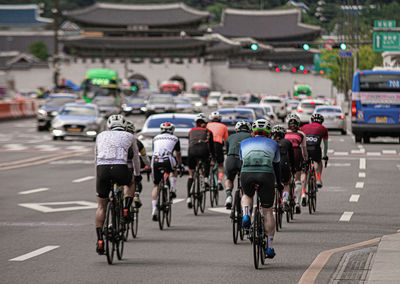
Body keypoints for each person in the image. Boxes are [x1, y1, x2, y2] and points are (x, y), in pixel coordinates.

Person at [94, 115, 141, 255]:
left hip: (102, 169)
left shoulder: (100, 136)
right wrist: (137, 175)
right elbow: (136, 158)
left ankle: (100, 240)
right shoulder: (130, 136)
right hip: (120, 167)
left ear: (109, 126)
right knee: (131, 182)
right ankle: (126, 208)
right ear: (124, 125)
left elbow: (96, 158)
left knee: (101, 206)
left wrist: (98, 176)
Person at [239, 119, 283, 259]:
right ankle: (269, 247)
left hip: (247, 173)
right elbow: (276, 166)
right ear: (269, 132)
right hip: (266, 174)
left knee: (247, 195)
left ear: (253, 132)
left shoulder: (244, 142)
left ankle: (246, 214)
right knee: (268, 210)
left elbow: (242, 161)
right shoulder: (274, 144)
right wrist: (279, 183)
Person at [151, 122, 184, 221]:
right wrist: (180, 165)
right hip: (167, 159)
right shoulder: (175, 138)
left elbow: (155, 150)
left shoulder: (155, 138)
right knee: (173, 170)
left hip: (155, 159)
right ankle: (172, 189)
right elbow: (177, 154)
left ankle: (154, 209)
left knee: (156, 185)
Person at [187, 113, 214, 208]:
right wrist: (213, 157)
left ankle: (189, 197)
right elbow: (211, 147)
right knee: (207, 160)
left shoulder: (191, 131)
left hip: (191, 152)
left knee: (191, 174)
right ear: (204, 123)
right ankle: (206, 179)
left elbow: (189, 142)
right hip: (203, 151)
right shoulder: (208, 131)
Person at [224, 120, 252, 209]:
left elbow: (227, 151)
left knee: (229, 178)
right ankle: (245, 201)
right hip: (243, 160)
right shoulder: (251, 137)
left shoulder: (230, 137)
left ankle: (228, 196)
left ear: (237, 130)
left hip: (231, 159)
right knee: (244, 181)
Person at [284, 114, 308, 214]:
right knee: (297, 179)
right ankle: (297, 203)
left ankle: (284, 199)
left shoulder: (283, 133)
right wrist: (305, 160)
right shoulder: (301, 134)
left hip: (285, 155)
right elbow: (304, 151)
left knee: (286, 180)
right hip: (297, 153)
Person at [300, 113, 329, 190]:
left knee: (304, 171)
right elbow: (325, 145)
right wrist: (325, 156)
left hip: (305, 149)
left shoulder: (303, 127)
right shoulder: (324, 129)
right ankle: (318, 178)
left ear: (311, 121)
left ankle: (303, 192)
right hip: (315, 149)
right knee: (318, 162)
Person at [271, 125, 294, 210]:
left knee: (272, 184)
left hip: (273, 163)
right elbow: (292, 157)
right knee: (286, 183)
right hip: (284, 162)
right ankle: (285, 199)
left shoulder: (270, 142)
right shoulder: (287, 142)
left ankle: (273, 203)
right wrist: (293, 167)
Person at [125, 121, 147, 208]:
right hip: (131, 166)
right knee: (133, 181)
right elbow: (144, 156)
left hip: (113, 165)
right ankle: (136, 195)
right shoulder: (137, 141)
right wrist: (149, 166)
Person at [207, 111, 229, 191]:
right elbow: (226, 141)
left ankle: (207, 178)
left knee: (207, 162)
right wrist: (227, 150)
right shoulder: (223, 126)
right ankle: (219, 180)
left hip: (208, 145)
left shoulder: (207, 125)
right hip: (218, 145)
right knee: (220, 165)